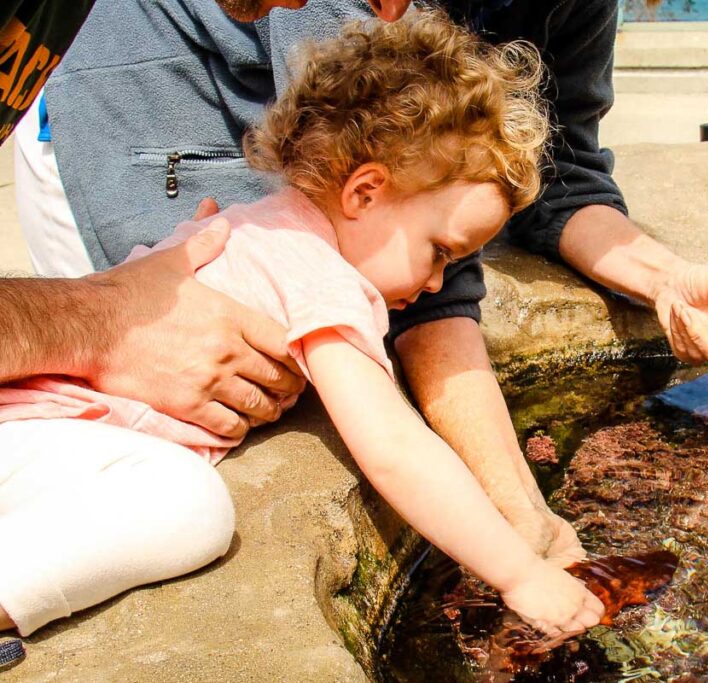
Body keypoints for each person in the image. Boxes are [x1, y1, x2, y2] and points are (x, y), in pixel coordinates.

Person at [15, 0, 708, 564]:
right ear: (364, 187)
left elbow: (561, 180)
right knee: (194, 453)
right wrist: (519, 536)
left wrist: (664, 279)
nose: (391, 9)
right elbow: (398, 427)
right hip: (154, 86)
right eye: (437, 250)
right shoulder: (326, 254)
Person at [0, 11, 605, 641]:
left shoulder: (266, 222)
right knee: (186, 506)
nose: (436, 283)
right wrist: (518, 576)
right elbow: (395, 448)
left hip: (34, 430)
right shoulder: (318, 275)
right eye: (440, 251)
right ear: (364, 193)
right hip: (41, 431)